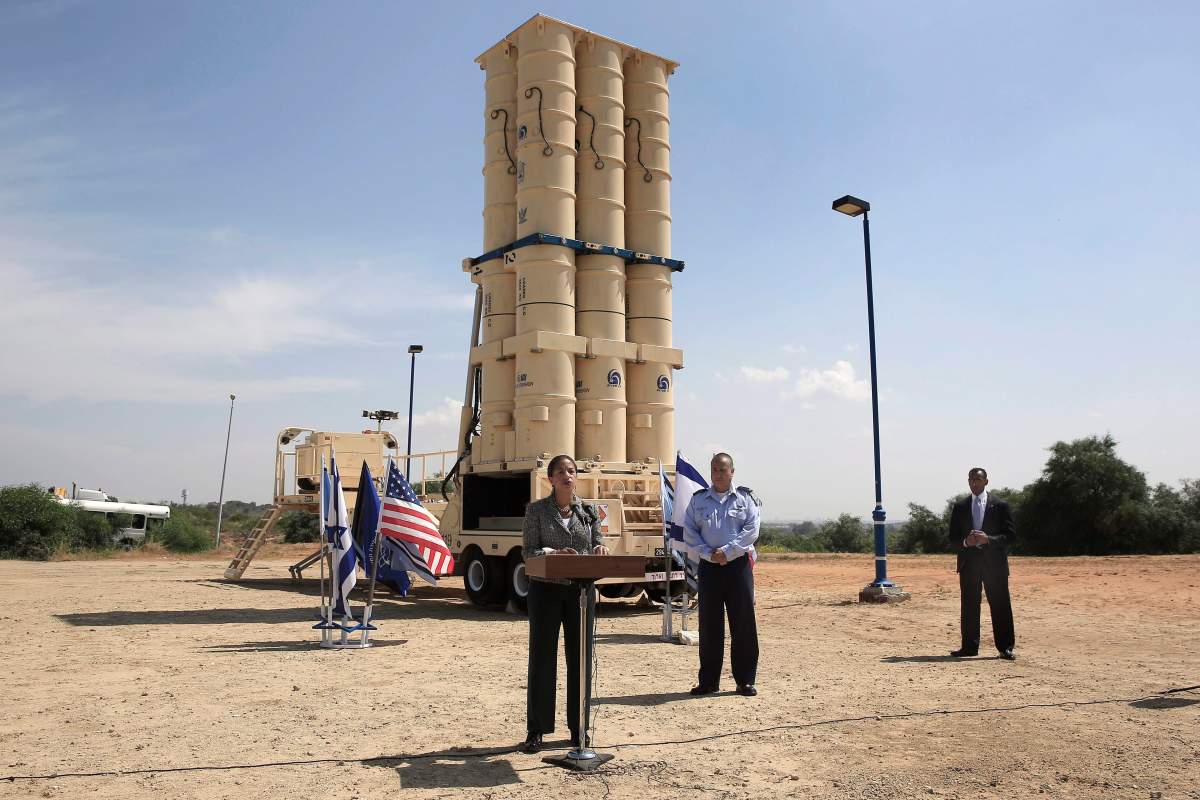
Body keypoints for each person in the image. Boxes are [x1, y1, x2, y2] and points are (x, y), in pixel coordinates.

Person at [519, 454, 610, 754]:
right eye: (561, 472)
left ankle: (579, 728)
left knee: (580, 661)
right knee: (543, 660)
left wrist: (599, 548)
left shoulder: (588, 511)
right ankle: (537, 730)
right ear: (551, 479)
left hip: (579, 594)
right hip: (545, 592)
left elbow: (599, 542)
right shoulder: (536, 511)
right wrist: (552, 553)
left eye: (571, 471)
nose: (567, 476)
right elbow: (529, 551)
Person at [682, 452, 761, 697]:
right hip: (709, 567)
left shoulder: (745, 498)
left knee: (743, 624)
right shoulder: (699, 500)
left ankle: (745, 680)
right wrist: (709, 553)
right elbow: (690, 531)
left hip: (738, 567)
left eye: (723, 470)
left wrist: (727, 551)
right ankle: (708, 681)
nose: (718, 474)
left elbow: (752, 529)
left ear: (732, 472)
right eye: (715, 469)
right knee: (709, 625)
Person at [948, 467, 1017, 660]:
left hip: (995, 564)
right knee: (969, 605)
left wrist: (989, 540)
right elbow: (952, 538)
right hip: (969, 563)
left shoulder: (1000, 505)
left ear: (986, 481)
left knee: (1000, 604)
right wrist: (964, 542)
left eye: (978, 479)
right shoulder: (960, 507)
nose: (974, 483)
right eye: (971, 479)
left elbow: (1011, 536)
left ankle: (1006, 647)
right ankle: (969, 647)